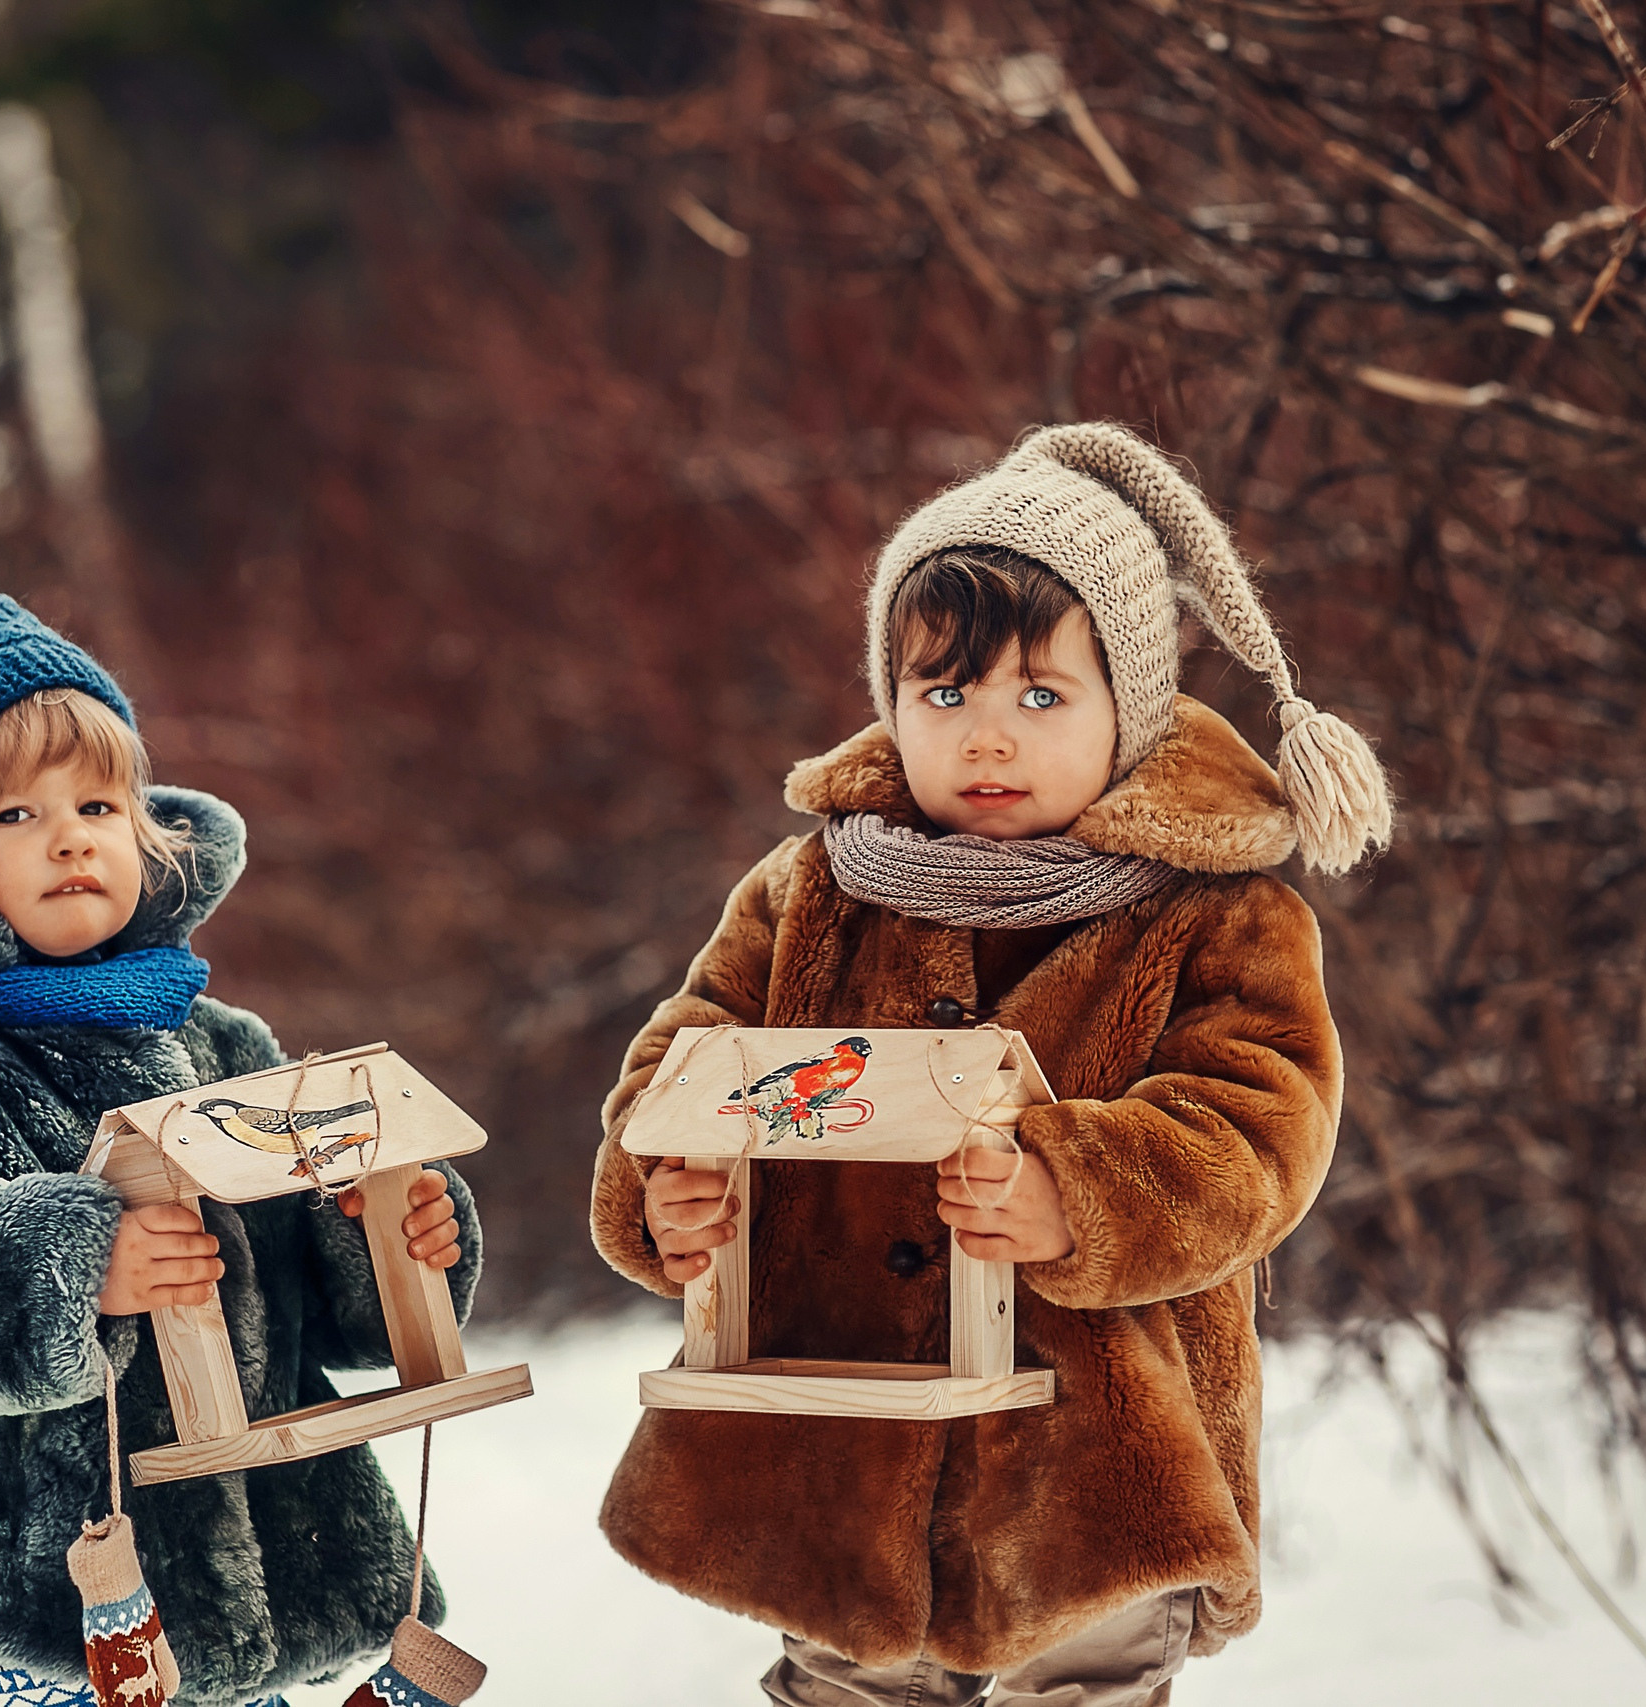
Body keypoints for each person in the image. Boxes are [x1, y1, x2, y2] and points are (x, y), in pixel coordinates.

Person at [588, 423, 1391, 1706]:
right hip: (845, 1430)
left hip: (1101, 1462)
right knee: (849, 1684)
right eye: (944, 696)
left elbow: (1258, 1132)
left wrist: (1074, 1187)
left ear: (1127, 706)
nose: (988, 739)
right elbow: (680, 1064)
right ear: (891, 702)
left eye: (1040, 696)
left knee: (1085, 1682)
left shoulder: (1215, 911)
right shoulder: (814, 891)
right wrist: (666, 1189)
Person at [0, 580, 478, 1707]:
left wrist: (382, 1236)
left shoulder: (220, 1041)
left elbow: (315, 1311)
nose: (69, 841)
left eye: (99, 807)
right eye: (15, 815)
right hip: (35, 1615)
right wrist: (72, 1261)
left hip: (248, 1592)